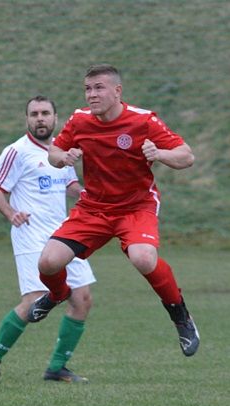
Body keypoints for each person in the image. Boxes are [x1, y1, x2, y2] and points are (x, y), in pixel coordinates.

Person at [27, 64, 199, 356]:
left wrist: (160, 154)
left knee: (143, 258)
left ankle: (180, 316)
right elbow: (54, 152)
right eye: (87, 89)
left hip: (135, 206)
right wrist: (63, 157)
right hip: (93, 208)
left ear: (117, 92)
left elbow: (187, 156)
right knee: (48, 263)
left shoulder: (143, 121)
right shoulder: (80, 121)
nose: (91, 95)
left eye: (99, 88)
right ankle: (57, 294)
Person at [0, 95, 95, 384]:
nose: (40, 118)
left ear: (55, 118)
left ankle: (57, 367)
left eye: (45, 113)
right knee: (34, 301)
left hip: (66, 236)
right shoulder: (17, 151)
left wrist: (91, 195)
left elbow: (70, 185)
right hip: (31, 236)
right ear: (27, 119)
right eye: (34, 114)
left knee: (81, 298)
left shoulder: (62, 150)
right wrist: (10, 213)